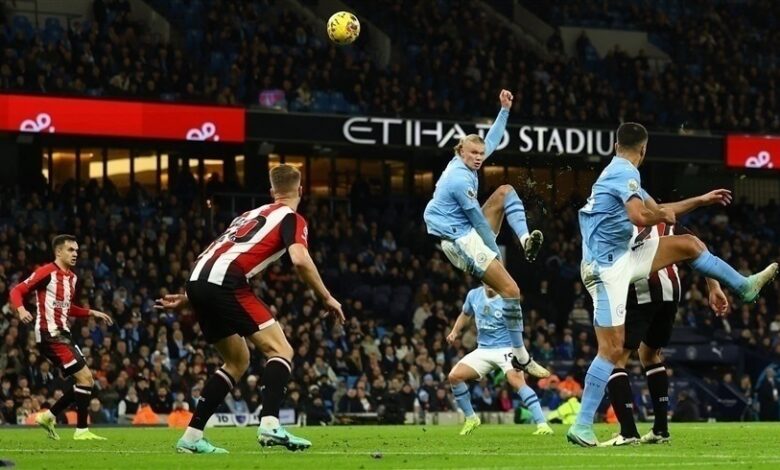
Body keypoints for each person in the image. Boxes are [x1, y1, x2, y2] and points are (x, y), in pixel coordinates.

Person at [568, 122, 778, 447]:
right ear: (644, 149)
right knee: (611, 349)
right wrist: (657, 217)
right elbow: (641, 216)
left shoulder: (623, 174)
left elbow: (659, 210)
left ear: (615, 146)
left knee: (689, 245)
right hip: (605, 268)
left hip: (622, 258)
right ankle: (582, 425)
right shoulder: (623, 173)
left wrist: (700, 200)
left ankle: (744, 285)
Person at [156, 164, 344, 454]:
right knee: (281, 350)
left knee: (237, 361)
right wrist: (326, 297)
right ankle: (269, 425)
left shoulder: (246, 215)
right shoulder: (292, 218)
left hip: (197, 280)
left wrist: (189, 295)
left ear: (272, 192)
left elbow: (219, 251)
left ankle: (191, 438)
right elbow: (300, 259)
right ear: (301, 191)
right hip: (226, 282)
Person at [423, 89, 548, 378]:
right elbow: (479, 222)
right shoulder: (457, 180)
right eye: (474, 154)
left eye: (481, 154)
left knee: (506, 191)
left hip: (465, 229)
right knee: (512, 290)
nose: (479, 158)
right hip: (460, 239)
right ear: (460, 152)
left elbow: (491, 139)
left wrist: (504, 110)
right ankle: (521, 357)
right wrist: (495, 256)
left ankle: (526, 239)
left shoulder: (470, 160)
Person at [605, 223, 729, 446]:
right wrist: (714, 286)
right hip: (671, 292)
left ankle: (628, 431)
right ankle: (660, 429)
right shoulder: (668, 222)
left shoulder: (620, 218)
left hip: (642, 289)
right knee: (649, 355)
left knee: (615, 358)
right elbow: (700, 250)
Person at [9, 234, 113, 441]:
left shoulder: (72, 278)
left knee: (86, 381)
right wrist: (21, 310)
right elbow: (17, 290)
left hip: (64, 333)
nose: (75, 253)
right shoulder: (46, 272)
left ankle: (48, 416)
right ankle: (81, 430)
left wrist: (91, 312)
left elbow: (67, 308)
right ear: (58, 251)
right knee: (85, 378)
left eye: (76, 250)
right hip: (49, 334)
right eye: (70, 250)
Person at [447, 284, 554, 436]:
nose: (489, 284)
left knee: (517, 382)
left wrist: (519, 353)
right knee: (454, 376)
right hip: (483, 350)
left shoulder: (508, 300)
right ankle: (471, 419)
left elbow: (517, 329)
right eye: (486, 280)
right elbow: (465, 313)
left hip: (506, 349)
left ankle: (542, 425)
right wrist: (454, 331)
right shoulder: (473, 295)